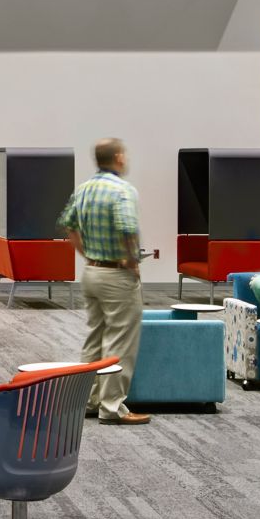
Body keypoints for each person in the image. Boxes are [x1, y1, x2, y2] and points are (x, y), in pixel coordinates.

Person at [60, 138, 151, 425]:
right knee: (120, 342)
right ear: (119, 158)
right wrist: (132, 261)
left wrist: (87, 254)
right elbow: (127, 228)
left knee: (94, 338)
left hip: (91, 272)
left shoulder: (84, 189)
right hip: (116, 275)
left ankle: (88, 401)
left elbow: (68, 226)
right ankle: (112, 408)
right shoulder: (122, 190)